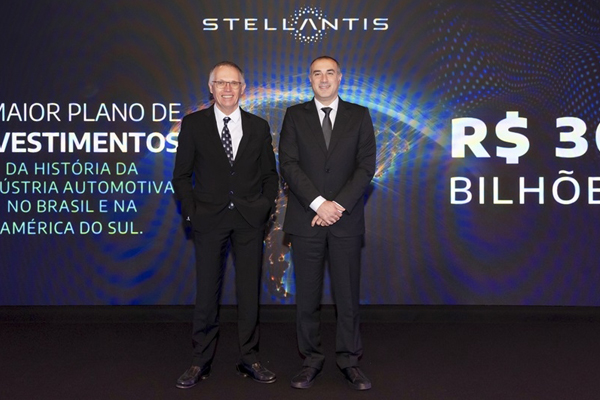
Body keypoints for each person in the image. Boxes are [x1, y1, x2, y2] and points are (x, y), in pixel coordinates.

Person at [172, 61, 279, 389]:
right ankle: (200, 360)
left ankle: (250, 358)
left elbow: (270, 175)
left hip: (249, 221)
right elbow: (181, 176)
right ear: (211, 88)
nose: (228, 88)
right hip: (209, 219)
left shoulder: (259, 126)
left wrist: (263, 208)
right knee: (207, 293)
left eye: (233, 83)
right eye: (221, 83)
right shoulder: (193, 125)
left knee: (249, 293)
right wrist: (192, 212)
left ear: (242, 88)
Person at [279, 56, 376, 390]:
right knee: (307, 298)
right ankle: (311, 360)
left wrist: (338, 205)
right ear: (309, 79)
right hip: (306, 219)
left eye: (329, 73)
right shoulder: (295, 115)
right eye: (317, 73)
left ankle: (349, 361)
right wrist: (320, 204)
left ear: (340, 78)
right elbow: (288, 164)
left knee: (347, 297)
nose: (323, 79)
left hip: (345, 221)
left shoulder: (359, 115)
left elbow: (366, 166)